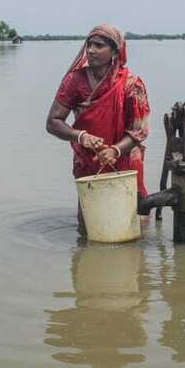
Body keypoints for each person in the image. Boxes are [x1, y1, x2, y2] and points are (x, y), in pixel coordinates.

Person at [45, 24, 150, 233]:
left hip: (125, 158)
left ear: (114, 51)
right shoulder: (74, 81)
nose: (91, 50)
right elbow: (53, 122)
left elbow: (139, 131)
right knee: (88, 222)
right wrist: (81, 136)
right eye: (89, 44)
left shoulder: (131, 84)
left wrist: (115, 150)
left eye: (99, 45)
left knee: (133, 219)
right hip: (88, 158)